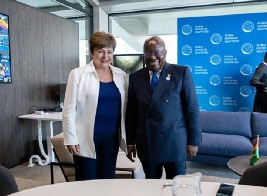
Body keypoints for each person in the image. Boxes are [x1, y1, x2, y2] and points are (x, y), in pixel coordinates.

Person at [125, 36, 201, 179]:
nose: (152, 57)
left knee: (176, 185)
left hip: (174, 142)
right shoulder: (135, 77)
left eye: (157, 52)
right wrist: (130, 142)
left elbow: (192, 108)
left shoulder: (181, 73)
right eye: (148, 53)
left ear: (165, 53)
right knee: (152, 186)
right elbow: (131, 113)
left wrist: (193, 141)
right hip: (148, 143)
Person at [62, 31, 127, 181]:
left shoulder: (120, 75)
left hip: (111, 137)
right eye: (100, 51)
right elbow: (69, 110)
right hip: (85, 137)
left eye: (109, 52)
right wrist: (71, 138)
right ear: (92, 52)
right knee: (87, 180)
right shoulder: (78, 74)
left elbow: (124, 108)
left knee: (107, 179)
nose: (105, 56)